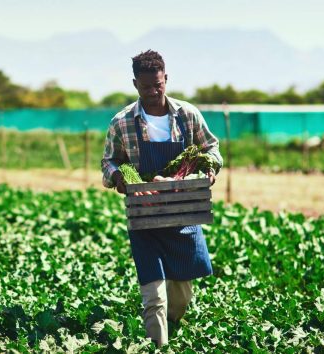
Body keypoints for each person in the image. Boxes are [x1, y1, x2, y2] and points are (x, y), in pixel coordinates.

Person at [100, 49, 223, 346]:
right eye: (146, 87)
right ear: (135, 84)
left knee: (180, 296)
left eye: (158, 85)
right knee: (154, 296)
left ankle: (173, 327)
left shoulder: (188, 115)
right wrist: (118, 177)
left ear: (166, 79)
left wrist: (209, 169)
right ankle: (159, 346)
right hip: (145, 216)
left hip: (183, 213)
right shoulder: (123, 121)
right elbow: (109, 161)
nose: (153, 92)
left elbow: (212, 149)